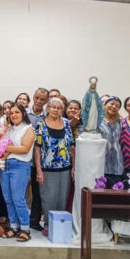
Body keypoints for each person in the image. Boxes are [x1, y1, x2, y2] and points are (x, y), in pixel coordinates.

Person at [34, 97, 75, 235]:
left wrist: (74, 167)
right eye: (53, 107)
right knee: (48, 198)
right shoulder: (41, 125)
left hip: (65, 167)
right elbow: (37, 149)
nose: (56, 110)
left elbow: (71, 147)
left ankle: (60, 225)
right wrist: (39, 170)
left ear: (62, 110)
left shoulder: (66, 123)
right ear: (48, 108)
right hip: (47, 168)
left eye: (59, 108)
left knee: (62, 198)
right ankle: (48, 225)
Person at [0, 103, 35, 241]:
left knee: (18, 199)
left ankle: (25, 229)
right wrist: (5, 149)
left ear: (23, 114)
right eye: (12, 113)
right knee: (8, 199)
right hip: (5, 165)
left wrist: (6, 148)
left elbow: (25, 148)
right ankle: (14, 226)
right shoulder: (9, 129)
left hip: (20, 166)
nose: (14, 115)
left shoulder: (28, 129)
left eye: (17, 112)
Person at [28, 88, 49, 231]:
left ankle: (34, 221)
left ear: (46, 101)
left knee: (37, 193)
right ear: (33, 97)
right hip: (22, 158)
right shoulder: (24, 113)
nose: (39, 101)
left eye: (42, 99)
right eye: (37, 98)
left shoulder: (48, 116)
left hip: (39, 161)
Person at [99, 97, 124, 184]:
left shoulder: (121, 122)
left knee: (115, 195)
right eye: (111, 104)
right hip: (101, 165)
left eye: (117, 106)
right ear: (104, 105)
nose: (114, 107)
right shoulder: (97, 121)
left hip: (117, 165)